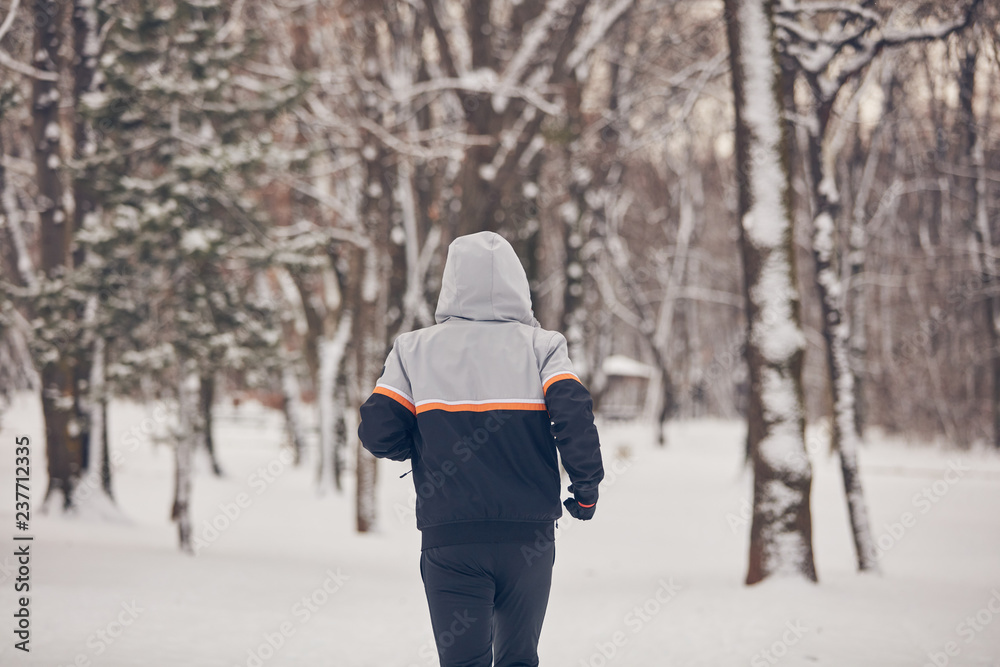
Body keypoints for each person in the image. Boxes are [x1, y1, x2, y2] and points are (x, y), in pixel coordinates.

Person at [358, 231, 604, 667]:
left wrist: (418, 446)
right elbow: (574, 414)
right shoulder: (543, 347)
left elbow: (377, 430)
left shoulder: (412, 350)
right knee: (518, 660)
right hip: (527, 538)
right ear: (517, 284)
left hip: (450, 539)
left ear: (451, 283)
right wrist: (585, 488)